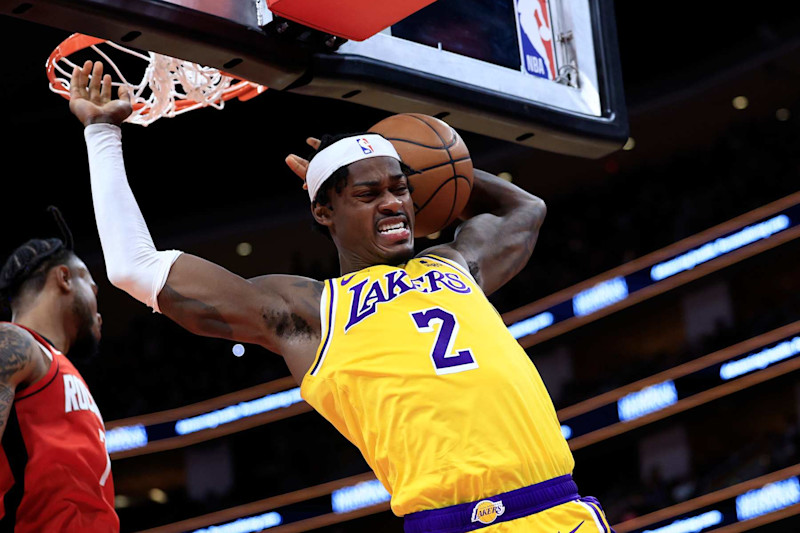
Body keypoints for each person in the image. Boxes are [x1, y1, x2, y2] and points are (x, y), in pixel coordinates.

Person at [71, 60, 613, 532]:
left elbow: (526, 209)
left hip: (560, 511)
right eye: (368, 193)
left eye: (402, 189)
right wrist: (102, 136)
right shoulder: (306, 310)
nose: (394, 203)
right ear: (323, 212)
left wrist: (425, 163)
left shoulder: (454, 263)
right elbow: (133, 267)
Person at [0, 210, 118, 532]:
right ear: (64, 278)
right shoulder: (13, 343)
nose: (99, 312)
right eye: (94, 290)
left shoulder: (57, 366)